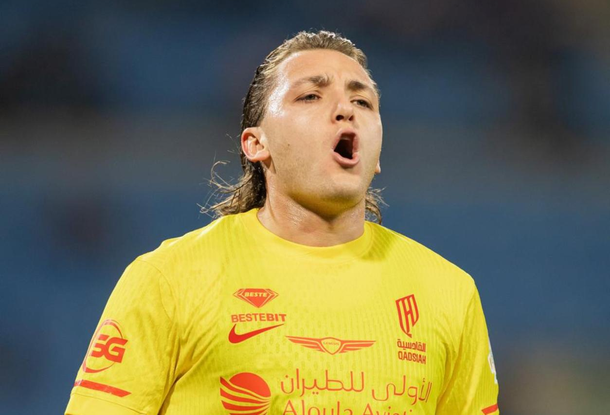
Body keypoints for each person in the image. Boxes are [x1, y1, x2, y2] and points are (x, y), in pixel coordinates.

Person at [65, 30, 499, 415]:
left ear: (378, 153)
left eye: (362, 101)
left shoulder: (448, 293)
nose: (345, 110)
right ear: (257, 144)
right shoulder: (169, 279)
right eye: (310, 96)